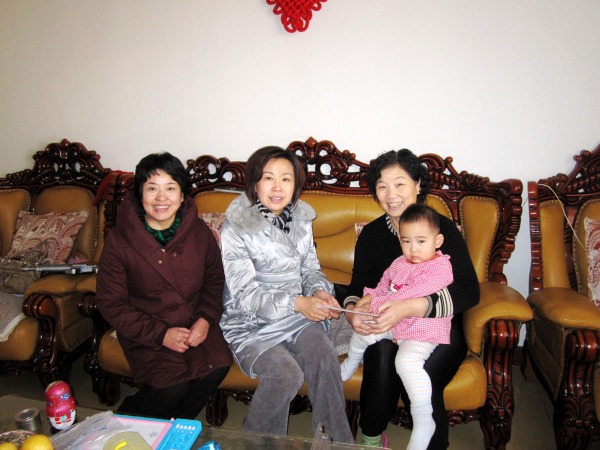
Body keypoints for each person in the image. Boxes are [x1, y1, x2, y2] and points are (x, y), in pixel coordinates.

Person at [344, 149, 479, 449]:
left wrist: (411, 307)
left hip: (437, 328)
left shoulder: (440, 230)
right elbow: (358, 285)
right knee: (379, 353)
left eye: (400, 184)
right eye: (382, 186)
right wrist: (353, 311)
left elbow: (469, 289)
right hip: (387, 324)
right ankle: (371, 439)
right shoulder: (371, 234)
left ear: (418, 185)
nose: (391, 194)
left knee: (422, 372)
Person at [219, 146, 354, 444]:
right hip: (251, 322)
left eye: (286, 179)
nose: (277, 187)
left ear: (296, 186)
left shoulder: (301, 221)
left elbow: (310, 269)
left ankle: (333, 444)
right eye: (268, 178)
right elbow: (245, 295)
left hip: (296, 316)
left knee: (324, 355)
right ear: (255, 183)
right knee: (285, 374)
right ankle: (259, 444)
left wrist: (320, 291)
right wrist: (298, 303)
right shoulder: (236, 228)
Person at [96, 152, 232, 420]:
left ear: (182, 196)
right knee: (171, 388)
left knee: (216, 367)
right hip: (146, 328)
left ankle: (172, 429)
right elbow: (111, 302)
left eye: (170, 188)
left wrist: (205, 319)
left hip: (193, 322)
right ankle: (121, 422)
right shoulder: (120, 240)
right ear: (140, 194)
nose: (161, 198)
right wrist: (160, 334)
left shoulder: (199, 232)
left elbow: (214, 281)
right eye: (152, 188)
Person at [340, 203, 453, 450]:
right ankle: (351, 362)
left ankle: (424, 421)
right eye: (406, 241)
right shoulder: (399, 262)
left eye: (421, 241)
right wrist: (368, 298)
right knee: (365, 332)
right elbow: (384, 284)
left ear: (437, 241)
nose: (413, 249)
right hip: (395, 322)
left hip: (422, 330)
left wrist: (377, 302)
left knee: (405, 362)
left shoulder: (440, 267)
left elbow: (410, 294)